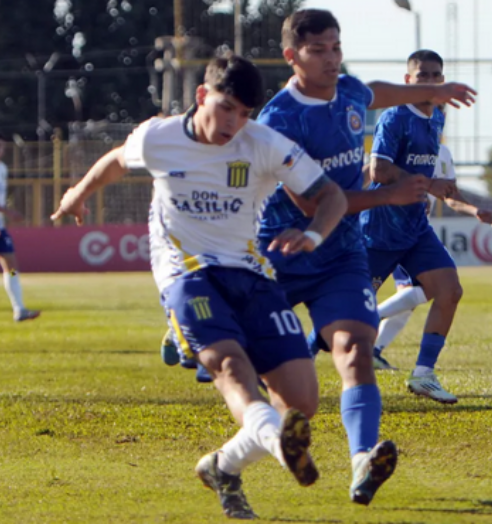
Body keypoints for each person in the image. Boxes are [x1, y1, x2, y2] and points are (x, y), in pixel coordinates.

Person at [52, 55, 349, 520]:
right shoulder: (159, 137)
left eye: (244, 113)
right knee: (230, 365)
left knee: (302, 403)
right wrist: (78, 193)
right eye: (226, 107)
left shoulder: (265, 144)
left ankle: (223, 467)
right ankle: (278, 446)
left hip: (251, 273)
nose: (233, 122)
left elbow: (332, 195)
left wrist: (312, 234)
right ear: (201, 96)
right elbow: (116, 160)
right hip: (186, 275)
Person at [253, 8, 476, 505]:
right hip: (285, 250)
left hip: (342, 253)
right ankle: (226, 458)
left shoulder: (351, 92)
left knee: (355, 348)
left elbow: (376, 89)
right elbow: (318, 204)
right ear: (292, 57)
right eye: (318, 50)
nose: (332, 58)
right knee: (285, 395)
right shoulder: (279, 121)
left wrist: (433, 92)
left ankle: (362, 460)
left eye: (336, 47)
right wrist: (386, 197)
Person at [361, 50, 475, 404]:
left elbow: (432, 176)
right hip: (379, 230)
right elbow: (379, 170)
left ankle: (423, 374)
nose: (429, 80)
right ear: (407, 81)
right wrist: (426, 186)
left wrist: (435, 192)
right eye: (421, 75)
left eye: (435, 75)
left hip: (414, 228)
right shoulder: (395, 116)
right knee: (346, 315)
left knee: (449, 290)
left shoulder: (437, 117)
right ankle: (287, 365)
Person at [369, 141, 492, 371]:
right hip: (383, 229)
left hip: (414, 233)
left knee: (413, 295)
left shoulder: (442, 152)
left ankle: (374, 349)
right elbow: (375, 173)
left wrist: (475, 210)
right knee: (418, 291)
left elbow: (450, 195)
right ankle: (369, 320)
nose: (439, 111)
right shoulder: (400, 136)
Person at [0, 132, 41, 321]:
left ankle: (19, 308)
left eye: (0, 146)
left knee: (11, 266)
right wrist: (8, 212)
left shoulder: (2, 168)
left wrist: (4, 213)